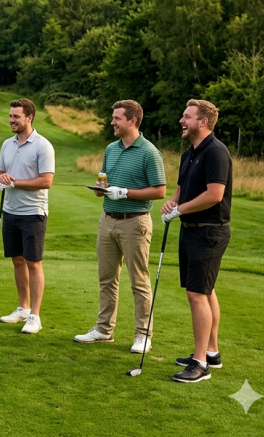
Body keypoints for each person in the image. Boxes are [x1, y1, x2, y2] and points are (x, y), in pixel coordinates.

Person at [75, 100, 166, 353]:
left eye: (117, 118)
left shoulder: (149, 152)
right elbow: (105, 180)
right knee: (106, 279)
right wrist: (102, 189)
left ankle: (143, 335)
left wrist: (125, 192)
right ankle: (104, 330)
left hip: (135, 222)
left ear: (132, 121)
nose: (112, 122)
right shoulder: (111, 148)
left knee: (139, 281)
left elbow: (159, 191)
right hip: (108, 220)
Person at [160, 99, 232, 383]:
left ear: (203, 122)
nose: (181, 120)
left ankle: (200, 363)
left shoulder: (216, 152)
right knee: (205, 290)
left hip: (209, 231)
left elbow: (214, 194)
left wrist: (180, 209)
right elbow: (181, 188)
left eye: (187, 116)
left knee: (196, 294)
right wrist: (172, 203)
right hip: (191, 229)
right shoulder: (189, 152)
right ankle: (211, 353)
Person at [0, 98, 55, 334]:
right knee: (17, 260)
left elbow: (46, 181)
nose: (12, 120)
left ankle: (35, 316)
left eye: (16, 116)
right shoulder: (7, 144)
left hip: (33, 213)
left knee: (33, 262)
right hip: (10, 211)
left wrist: (15, 182)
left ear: (29, 118)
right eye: (10, 116)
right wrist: (2, 179)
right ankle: (23, 308)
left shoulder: (42, 146)